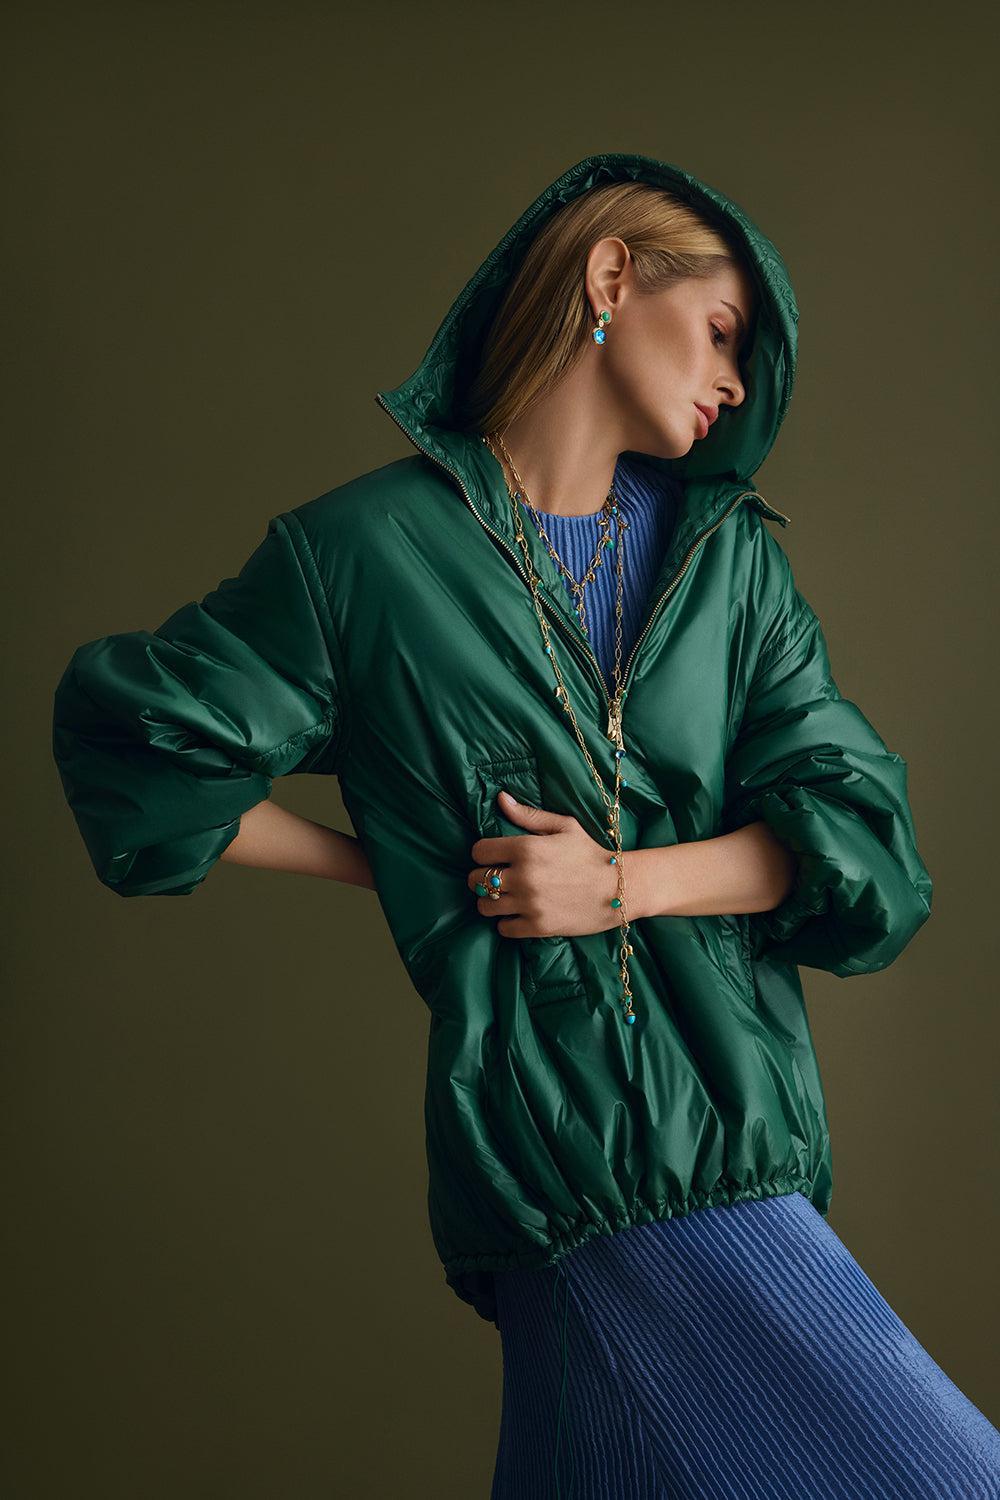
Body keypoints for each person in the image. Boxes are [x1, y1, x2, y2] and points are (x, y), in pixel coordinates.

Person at [51, 152, 1000, 1496]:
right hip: (567, 1155)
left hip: (739, 1136)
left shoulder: (734, 565)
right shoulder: (363, 554)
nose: (737, 382)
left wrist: (623, 883)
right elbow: (139, 749)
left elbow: (867, 851)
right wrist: (411, 867)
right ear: (611, 279)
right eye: (721, 330)